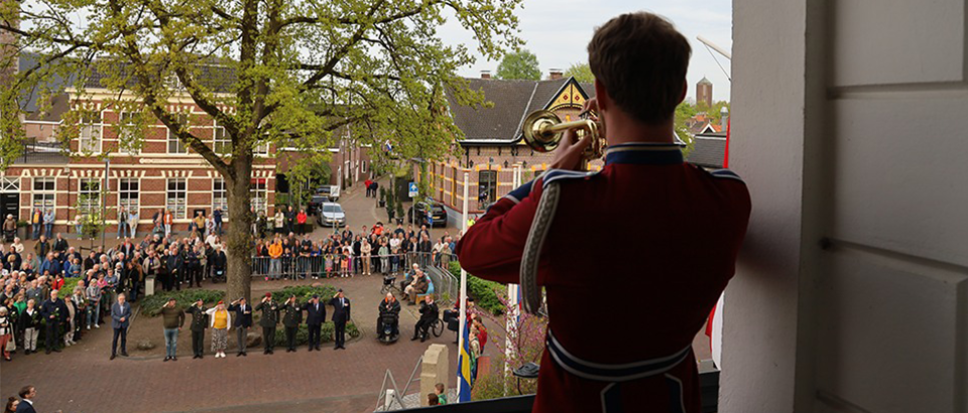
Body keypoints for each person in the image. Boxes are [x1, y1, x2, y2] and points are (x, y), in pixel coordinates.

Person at [454, 12, 752, 413]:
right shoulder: (727, 197)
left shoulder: (567, 204)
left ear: (601, 93)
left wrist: (547, 179)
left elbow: (472, 249)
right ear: (682, 91)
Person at [39, 290, 68, 354]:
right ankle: (48, 348)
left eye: (56, 294)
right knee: (49, 335)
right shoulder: (46, 303)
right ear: (50, 295)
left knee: (56, 334)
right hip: (49, 321)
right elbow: (42, 312)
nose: (54, 296)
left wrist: (62, 320)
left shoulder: (60, 302)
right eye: (53, 294)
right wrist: (48, 316)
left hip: (57, 321)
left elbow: (64, 311)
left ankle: (56, 346)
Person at [110, 293, 131, 360]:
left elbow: (129, 313)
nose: (122, 301)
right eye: (120, 299)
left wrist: (125, 317)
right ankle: (113, 353)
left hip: (124, 324)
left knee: (123, 338)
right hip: (116, 324)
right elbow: (113, 315)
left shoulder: (127, 305)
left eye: (123, 299)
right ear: (118, 299)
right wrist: (119, 319)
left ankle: (123, 351)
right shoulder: (114, 305)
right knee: (115, 339)